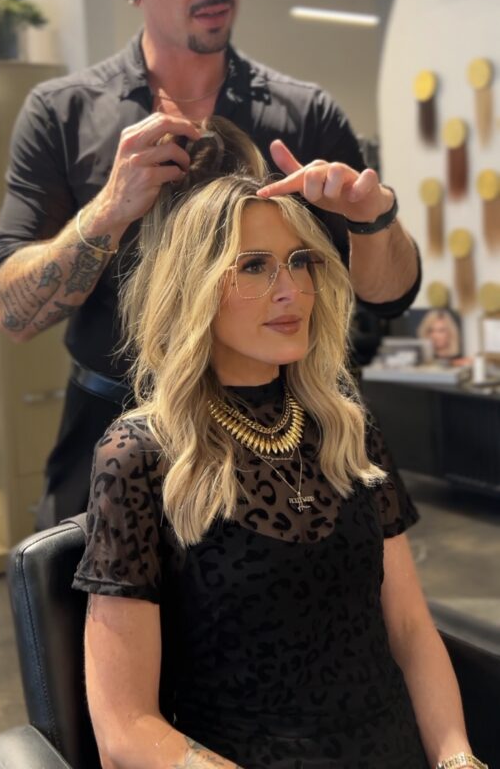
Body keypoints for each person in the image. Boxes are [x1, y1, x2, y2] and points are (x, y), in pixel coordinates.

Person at [0, 0, 420, 526]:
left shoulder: (304, 116)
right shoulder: (63, 115)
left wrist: (374, 217)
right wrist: (108, 211)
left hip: (279, 440)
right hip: (112, 437)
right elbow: (12, 314)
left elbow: (391, 296)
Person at [73, 163, 482, 769]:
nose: (290, 290)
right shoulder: (141, 456)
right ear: (194, 287)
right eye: (254, 266)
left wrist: (457, 758)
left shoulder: (346, 427)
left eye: (299, 261)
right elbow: (125, 729)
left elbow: (409, 629)